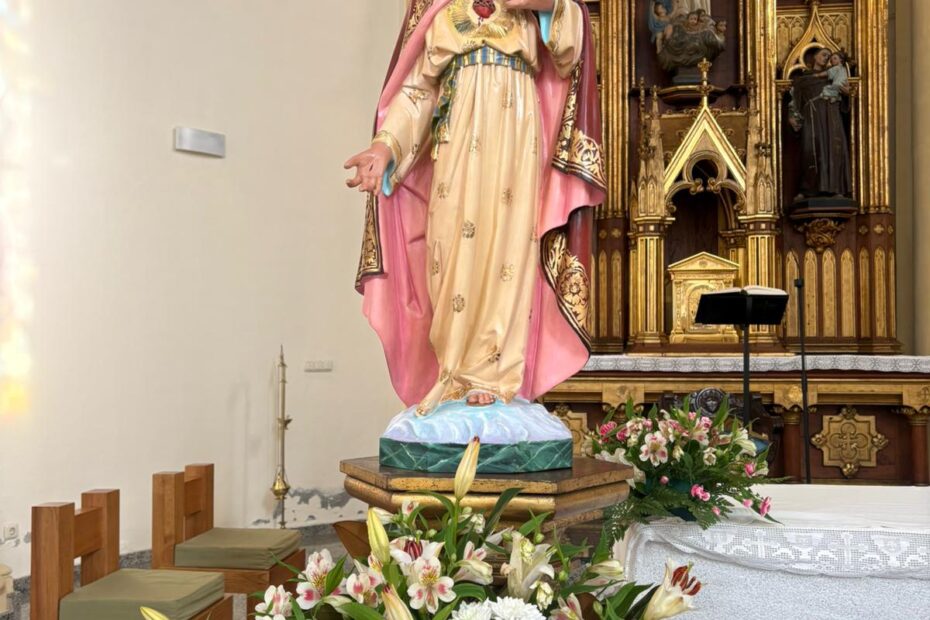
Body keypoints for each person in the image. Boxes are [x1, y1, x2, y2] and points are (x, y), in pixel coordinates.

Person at [345, 0, 605, 415]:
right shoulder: (438, 9)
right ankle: (454, 370)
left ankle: (493, 376)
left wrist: (545, 5)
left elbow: (572, 49)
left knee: (508, 250)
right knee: (449, 247)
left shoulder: (524, 8)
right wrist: (385, 146)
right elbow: (416, 91)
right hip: (456, 140)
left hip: (516, 136)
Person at [788, 48, 852, 199]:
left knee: (833, 150)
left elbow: (845, 98)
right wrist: (792, 116)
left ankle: (836, 189)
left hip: (831, 117)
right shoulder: (803, 79)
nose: (826, 58)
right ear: (815, 56)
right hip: (812, 118)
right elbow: (794, 100)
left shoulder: (833, 76)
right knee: (810, 150)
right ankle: (808, 189)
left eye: (829, 57)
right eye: (824, 55)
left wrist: (847, 94)